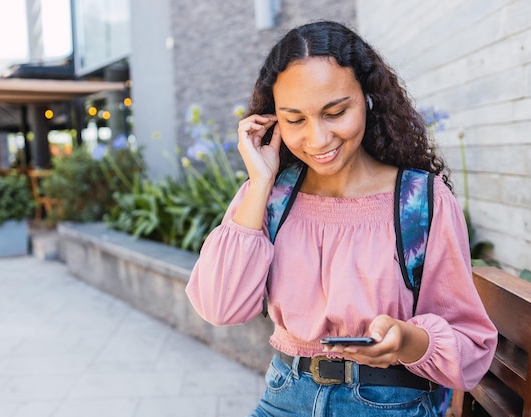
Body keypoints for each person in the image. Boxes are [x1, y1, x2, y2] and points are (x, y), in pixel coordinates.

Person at [185, 20, 497, 416]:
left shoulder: (420, 201)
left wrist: (406, 341)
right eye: (295, 119)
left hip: (390, 404)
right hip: (284, 398)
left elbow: (471, 343)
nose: (317, 139)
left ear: (367, 97)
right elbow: (220, 307)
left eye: (335, 112)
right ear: (273, 119)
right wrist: (260, 182)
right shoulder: (270, 196)